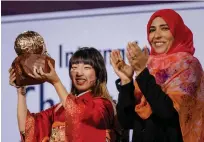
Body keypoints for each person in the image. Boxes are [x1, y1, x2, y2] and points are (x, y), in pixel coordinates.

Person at [111, 9, 204, 142]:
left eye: (165, 28)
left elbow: (166, 112)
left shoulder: (189, 65)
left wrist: (142, 72)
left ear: (176, 32)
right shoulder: (149, 66)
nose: (157, 35)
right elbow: (127, 122)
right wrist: (126, 81)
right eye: (152, 30)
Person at [9, 32, 117, 142]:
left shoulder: (103, 105)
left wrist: (56, 82)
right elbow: (27, 129)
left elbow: (77, 114)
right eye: (74, 67)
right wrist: (21, 90)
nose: (78, 73)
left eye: (86, 67)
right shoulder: (59, 109)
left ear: (99, 73)